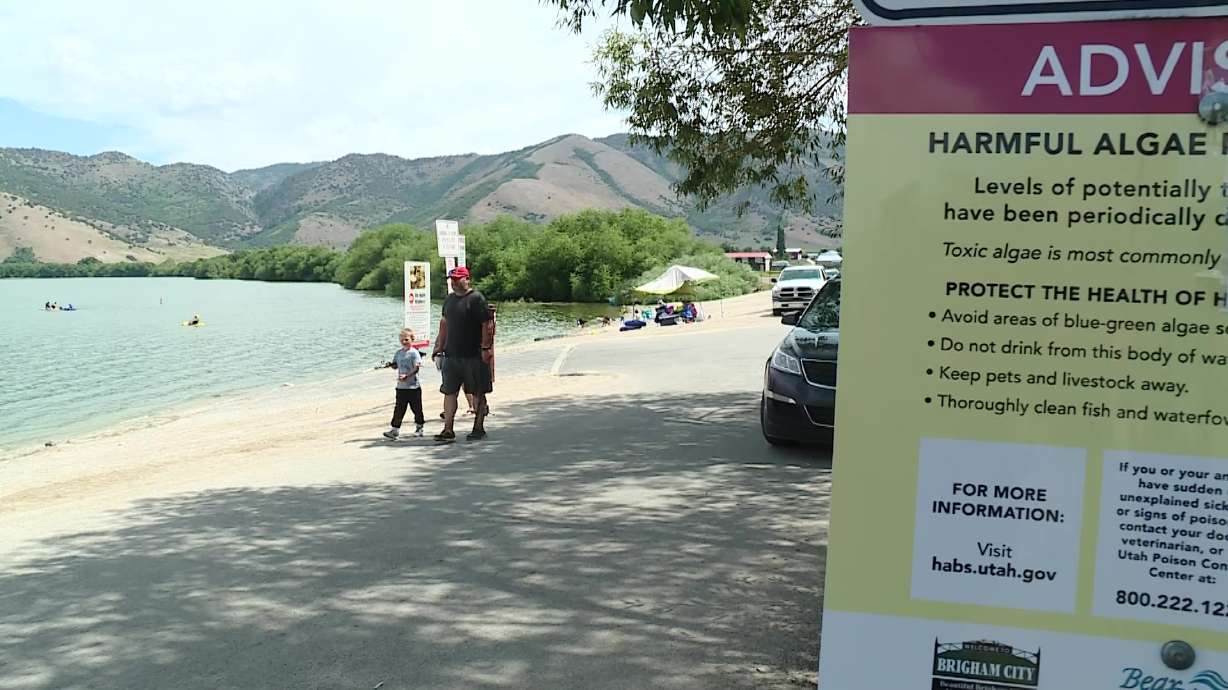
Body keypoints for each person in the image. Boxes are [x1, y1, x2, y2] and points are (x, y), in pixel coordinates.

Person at [430, 266, 493, 443]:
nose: (455, 282)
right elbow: (444, 324)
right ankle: (448, 429)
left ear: (467, 279)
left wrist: (485, 348)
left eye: (458, 279)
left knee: (478, 392)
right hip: (451, 355)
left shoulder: (476, 299)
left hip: (473, 354)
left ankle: (478, 428)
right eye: (452, 280)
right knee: (449, 392)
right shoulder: (449, 300)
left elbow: (487, 324)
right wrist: (439, 347)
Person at [382, 328, 425, 439]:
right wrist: (391, 365)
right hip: (401, 387)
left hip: (413, 387)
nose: (404, 342)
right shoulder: (398, 353)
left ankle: (419, 427)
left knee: (417, 409)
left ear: (412, 339)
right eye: (401, 340)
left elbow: (416, 369)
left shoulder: (414, 353)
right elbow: (395, 365)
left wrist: (407, 376)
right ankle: (395, 430)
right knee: (399, 409)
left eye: (406, 339)